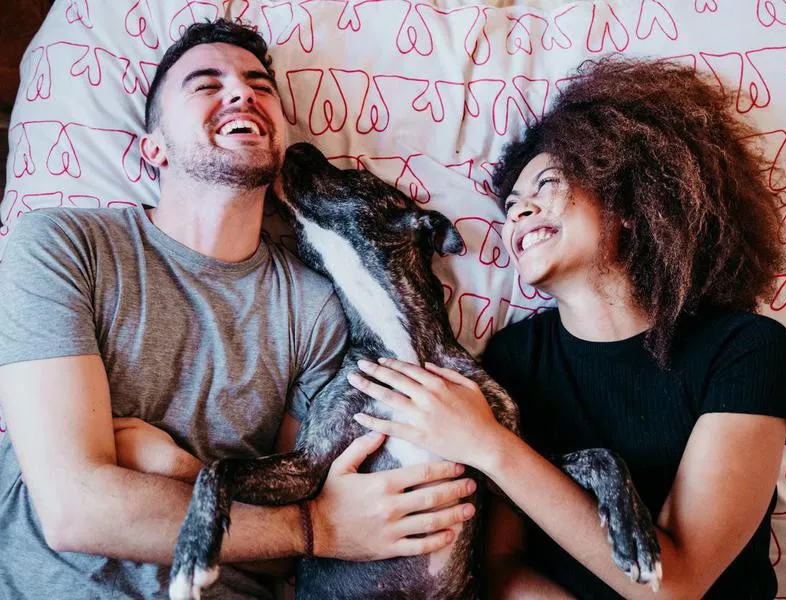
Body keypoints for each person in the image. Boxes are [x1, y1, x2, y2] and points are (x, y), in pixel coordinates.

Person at [0, 19, 476, 599]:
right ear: (154, 149)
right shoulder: (64, 245)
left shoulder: (317, 310)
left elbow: (285, 553)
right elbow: (74, 509)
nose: (242, 92)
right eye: (206, 84)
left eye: (260, 84)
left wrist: (177, 472)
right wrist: (318, 527)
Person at [347, 57, 786, 599]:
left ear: (629, 204)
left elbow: (677, 585)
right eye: (511, 206)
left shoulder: (746, 348)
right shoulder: (514, 359)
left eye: (548, 183)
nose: (520, 212)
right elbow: (502, 568)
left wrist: (487, 444)